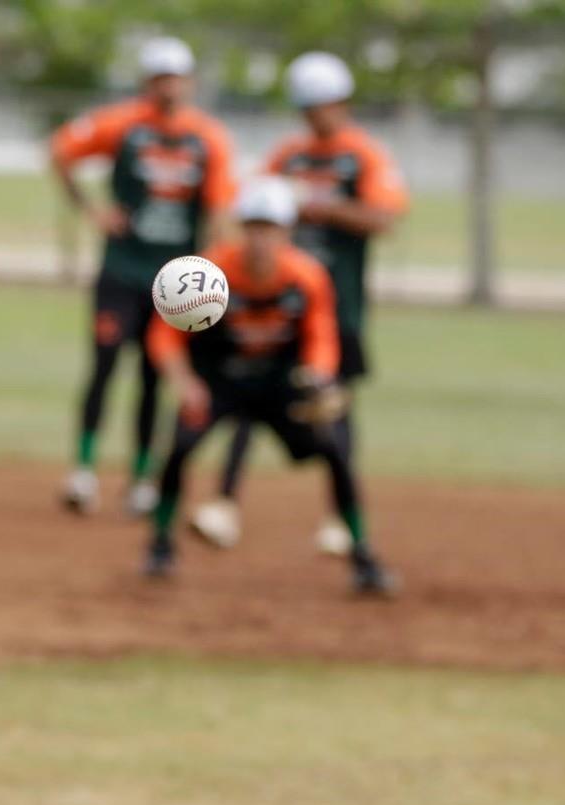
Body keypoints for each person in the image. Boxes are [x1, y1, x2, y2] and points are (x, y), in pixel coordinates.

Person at [190, 51, 409, 555]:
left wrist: (317, 206)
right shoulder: (287, 156)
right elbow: (244, 209)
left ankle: (338, 517)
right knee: (246, 401)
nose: (314, 116)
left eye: (322, 105)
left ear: (341, 102)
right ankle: (224, 506)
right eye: (306, 107)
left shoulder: (364, 154)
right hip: (272, 305)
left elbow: (384, 218)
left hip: (337, 307)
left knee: (333, 408)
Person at [143, 176, 395, 597]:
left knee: (334, 449)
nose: (261, 238)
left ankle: (363, 555)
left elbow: (321, 336)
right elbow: (165, 335)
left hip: (278, 386)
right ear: (242, 228)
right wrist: (184, 383)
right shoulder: (209, 273)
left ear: (287, 231)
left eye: (271, 227)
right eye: (254, 227)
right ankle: (160, 545)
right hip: (219, 383)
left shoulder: (306, 277)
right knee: (180, 447)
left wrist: (317, 378)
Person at [50, 36, 237, 517]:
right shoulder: (124, 124)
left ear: (190, 82)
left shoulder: (207, 137)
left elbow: (217, 210)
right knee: (105, 365)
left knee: (155, 377)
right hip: (121, 270)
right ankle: (84, 471)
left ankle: (139, 479)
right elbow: (61, 150)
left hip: (174, 282)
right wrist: (93, 210)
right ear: (146, 82)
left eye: (176, 77)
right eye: (159, 77)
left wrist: (212, 272)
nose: (168, 87)